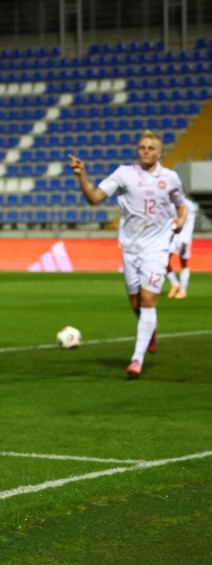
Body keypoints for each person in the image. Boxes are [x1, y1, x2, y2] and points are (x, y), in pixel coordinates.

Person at [69, 130, 187, 379]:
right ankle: (150, 329)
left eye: (151, 148)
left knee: (147, 301)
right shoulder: (124, 174)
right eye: (142, 147)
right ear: (138, 150)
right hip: (131, 249)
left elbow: (181, 203)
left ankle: (136, 359)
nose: (146, 151)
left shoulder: (171, 177)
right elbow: (94, 198)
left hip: (156, 249)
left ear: (159, 152)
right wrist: (82, 176)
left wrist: (181, 219)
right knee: (136, 305)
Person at [165, 196, 198, 299]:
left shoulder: (188, 205)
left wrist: (186, 241)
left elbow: (190, 224)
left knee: (183, 263)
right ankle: (175, 283)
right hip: (171, 236)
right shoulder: (170, 203)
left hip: (183, 237)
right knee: (164, 261)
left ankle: (183, 290)